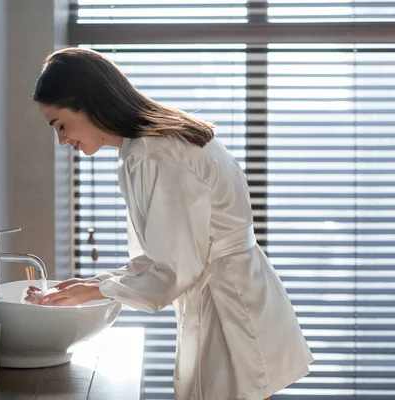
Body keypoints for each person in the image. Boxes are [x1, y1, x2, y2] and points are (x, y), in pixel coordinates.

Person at [25, 47, 313, 400]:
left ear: (88, 104)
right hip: (235, 293)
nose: (62, 139)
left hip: (231, 305)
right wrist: (96, 281)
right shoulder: (143, 147)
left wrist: (98, 290)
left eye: (61, 125)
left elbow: (175, 268)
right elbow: (164, 253)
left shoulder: (154, 153)